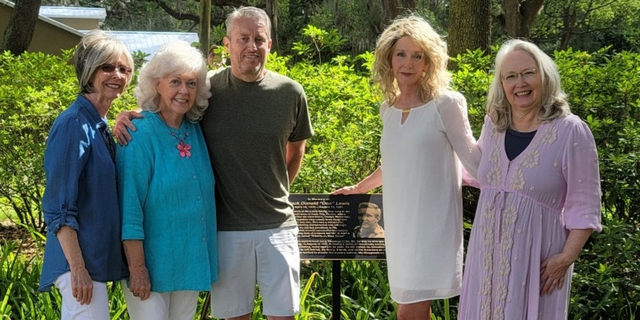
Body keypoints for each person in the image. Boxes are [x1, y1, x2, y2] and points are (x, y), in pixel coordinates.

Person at [113, 6, 313, 320]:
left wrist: (276, 190)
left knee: (284, 315)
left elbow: (296, 148)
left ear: (269, 44)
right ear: (227, 44)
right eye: (243, 38)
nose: (251, 46)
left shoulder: (287, 93)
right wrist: (124, 116)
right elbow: (164, 112)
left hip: (271, 227)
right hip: (224, 232)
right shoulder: (203, 96)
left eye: (259, 39)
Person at [333, 15, 480, 319]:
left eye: (418, 56)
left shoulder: (447, 104)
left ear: (429, 63)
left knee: (407, 313)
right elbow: (394, 163)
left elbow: (476, 164)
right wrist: (359, 189)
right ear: (389, 58)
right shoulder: (388, 108)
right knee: (415, 310)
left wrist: (503, 131)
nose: (408, 64)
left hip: (432, 226)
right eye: (401, 54)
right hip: (400, 226)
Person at [458, 39, 603, 320]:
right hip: (485, 257)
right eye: (510, 76)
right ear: (502, 84)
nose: (520, 83)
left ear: (544, 77)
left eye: (528, 73)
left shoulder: (571, 131)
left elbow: (584, 205)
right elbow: (479, 174)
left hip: (537, 263)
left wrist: (566, 258)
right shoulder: (494, 125)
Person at [115, 41, 218, 320]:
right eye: (175, 82)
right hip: (151, 265)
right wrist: (137, 269)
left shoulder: (195, 130)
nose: (184, 91)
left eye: (191, 83)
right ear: (157, 84)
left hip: (188, 259)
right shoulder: (137, 133)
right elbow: (129, 208)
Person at [38, 30, 133, 320]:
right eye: (107, 67)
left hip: (91, 262)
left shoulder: (98, 124)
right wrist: (78, 269)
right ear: (89, 72)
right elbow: (58, 207)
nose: (116, 74)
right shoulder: (74, 124)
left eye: (124, 69)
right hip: (76, 264)